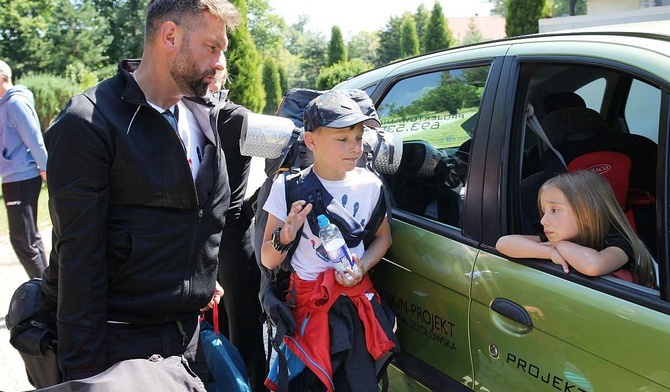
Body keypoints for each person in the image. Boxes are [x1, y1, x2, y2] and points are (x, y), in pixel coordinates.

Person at [39, 0, 240, 383]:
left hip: (191, 341)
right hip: (121, 349)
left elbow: (205, 221)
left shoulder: (204, 117)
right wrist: (84, 375)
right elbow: (79, 263)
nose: (219, 62)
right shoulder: (89, 122)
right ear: (170, 35)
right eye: (212, 47)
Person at [260, 90, 398, 391]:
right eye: (342, 139)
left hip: (356, 307)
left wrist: (361, 266)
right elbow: (268, 259)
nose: (355, 148)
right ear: (311, 141)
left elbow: (382, 238)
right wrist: (285, 235)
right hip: (309, 312)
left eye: (359, 138)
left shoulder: (372, 185)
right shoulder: (288, 188)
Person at [207, 57, 266, 391]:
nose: (214, 70)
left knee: (244, 333)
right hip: (195, 245)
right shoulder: (179, 115)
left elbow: (291, 161)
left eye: (219, 65)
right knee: (207, 333)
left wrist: (252, 206)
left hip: (233, 243)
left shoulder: (238, 118)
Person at [496, 170, 657, 288]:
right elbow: (504, 243)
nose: (544, 221)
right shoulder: (557, 238)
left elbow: (593, 265)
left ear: (587, 214)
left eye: (554, 210)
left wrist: (560, 246)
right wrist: (550, 253)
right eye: (544, 211)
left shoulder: (619, 243)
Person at [0, 59, 48, 279]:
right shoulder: (6, 104)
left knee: (23, 239)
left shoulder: (15, 104)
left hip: (22, 177)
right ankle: (49, 289)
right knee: (28, 238)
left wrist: (46, 167)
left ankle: (45, 296)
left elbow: (34, 138)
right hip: (13, 177)